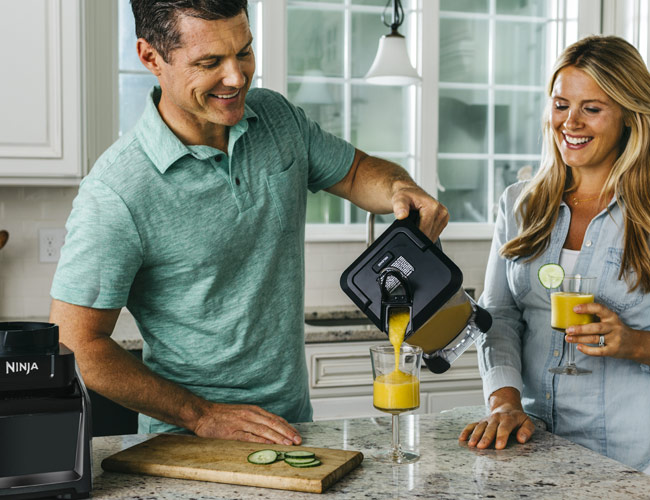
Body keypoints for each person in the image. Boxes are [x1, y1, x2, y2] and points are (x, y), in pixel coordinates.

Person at [49, 0, 448, 446]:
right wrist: (201, 415)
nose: (237, 77)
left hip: (293, 429)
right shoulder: (115, 192)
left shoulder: (277, 119)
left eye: (244, 52)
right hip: (186, 446)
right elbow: (77, 344)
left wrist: (398, 187)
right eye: (209, 63)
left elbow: (355, 172)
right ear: (150, 57)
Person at [459, 35, 650, 472]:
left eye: (592, 108)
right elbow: (499, 315)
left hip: (635, 458)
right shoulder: (519, 203)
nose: (571, 122)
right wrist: (504, 402)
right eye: (561, 105)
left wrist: (636, 344)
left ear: (629, 115)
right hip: (534, 446)